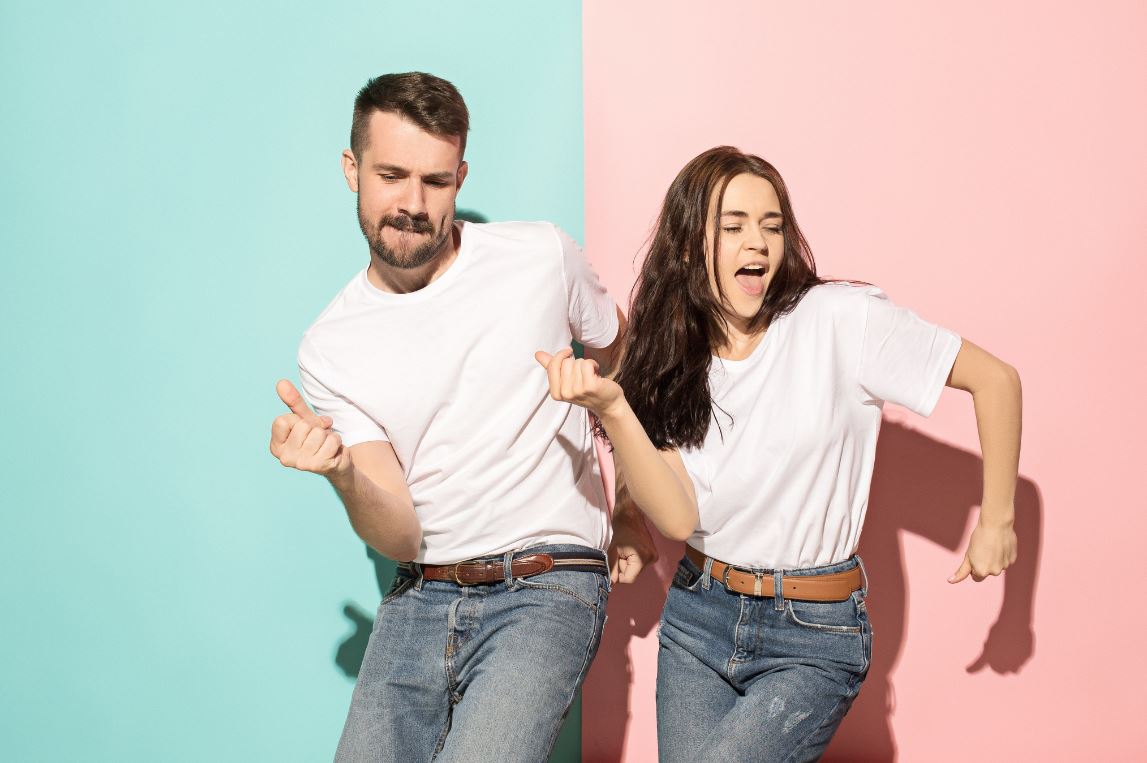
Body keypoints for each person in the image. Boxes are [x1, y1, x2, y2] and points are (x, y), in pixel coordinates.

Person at [536, 146, 1021, 761]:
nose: (758, 244)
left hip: (812, 635)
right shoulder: (675, 362)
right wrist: (613, 408)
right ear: (689, 247)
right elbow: (680, 518)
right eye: (733, 227)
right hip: (697, 620)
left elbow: (997, 380)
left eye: (771, 227)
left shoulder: (840, 321)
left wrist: (997, 520)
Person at [269, 72, 626, 762]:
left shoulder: (539, 257)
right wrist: (342, 471)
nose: (411, 203)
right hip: (420, 593)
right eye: (391, 175)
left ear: (461, 175)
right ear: (352, 170)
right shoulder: (331, 344)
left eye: (435, 180)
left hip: (548, 580)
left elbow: (620, 357)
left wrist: (634, 496)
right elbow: (399, 531)